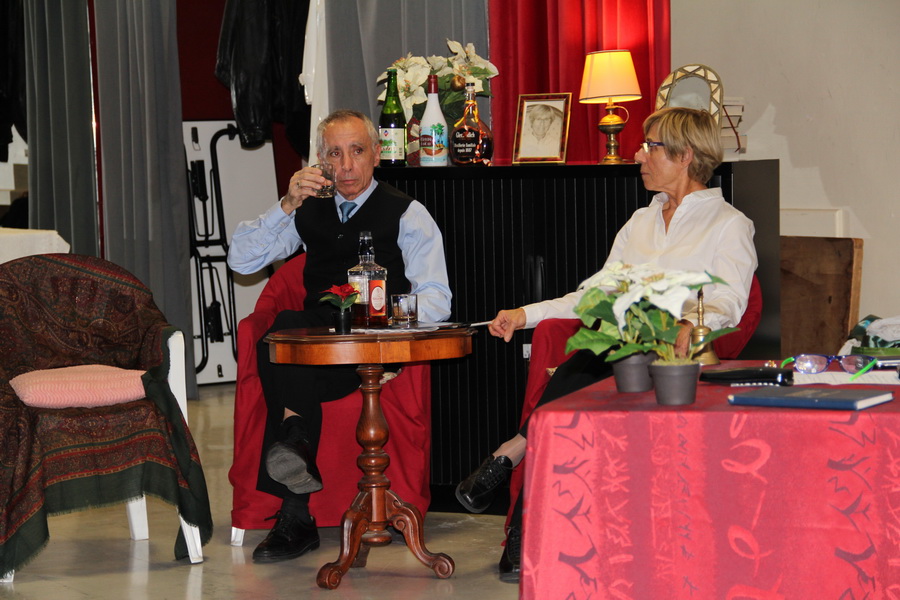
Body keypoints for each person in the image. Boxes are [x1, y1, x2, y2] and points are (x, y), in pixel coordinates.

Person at [456, 106, 758, 583]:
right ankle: (524, 520)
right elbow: (594, 295)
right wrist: (524, 315)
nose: (639, 155)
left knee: (607, 350)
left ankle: (510, 459)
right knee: (597, 351)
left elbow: (730, 300)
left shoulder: (729, 224)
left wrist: (689, 320)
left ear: (685, 155)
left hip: (677, 353)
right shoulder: (639, 221)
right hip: (622, 348)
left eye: (650, 146)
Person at [228, 109, 452, 563]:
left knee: (286, 354)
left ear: (376, 155)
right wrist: (285, 204)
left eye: (357, 151)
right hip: (319, 344)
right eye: (335, 154)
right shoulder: (308, 208)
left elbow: (437, 299)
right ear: (320, 160)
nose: (346, 166)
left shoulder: (408, 214)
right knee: (281, 331)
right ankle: (295, 446)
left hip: (372, 347)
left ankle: (295, 512)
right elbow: (241, 260)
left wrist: (385, 317)